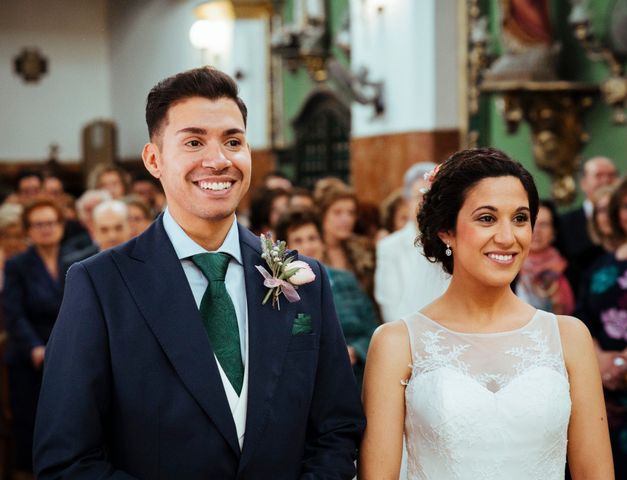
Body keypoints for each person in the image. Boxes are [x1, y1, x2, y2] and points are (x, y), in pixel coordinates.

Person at [34, 66, 364, 479]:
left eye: (233, 141)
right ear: (154, 160)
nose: (218, 160)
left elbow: (337, 429)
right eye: (193, 142)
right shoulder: (100, 285)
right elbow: (67, 459)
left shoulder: (305, 277)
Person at [360, 148, 613, 479]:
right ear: (446, 230)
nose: (508, 238)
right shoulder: (397, 343)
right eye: (487, 218)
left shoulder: (569, 336)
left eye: (520, 218)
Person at [574, 173, 627, 478]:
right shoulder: (600, 266)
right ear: (615, 214)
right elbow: (583, 318)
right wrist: (601, 360)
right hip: (605, 390)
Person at [275, 207, 378, 388]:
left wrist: (355, 351)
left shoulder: (346, 280)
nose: (308, 246)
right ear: (286, 250)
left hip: (355, 376)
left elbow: (373, 330)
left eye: (312, 238)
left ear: (322, 242)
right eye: (298, 240)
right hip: (308, 382)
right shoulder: (280, 292)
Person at [3, 197, 66, 475]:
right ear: (28, 230)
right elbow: (14, 314)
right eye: (38, 225)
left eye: (50, 223)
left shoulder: (76, 259)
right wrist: (35, 348)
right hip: (31, 358)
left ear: (61, 226)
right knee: (30, 425)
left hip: (66, 355)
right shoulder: (18, 265)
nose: (45, 229)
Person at [375, 162, 450, 324]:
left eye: (430, 195)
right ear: (407, 201)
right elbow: (390, 304)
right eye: (419, 196)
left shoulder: (450, 240)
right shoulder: (389, 247)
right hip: (406, 331)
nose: (425, 202)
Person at [559, 156, 618, 293]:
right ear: (584, 183)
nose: (606, 180)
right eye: (599, 175)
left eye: (611, 175)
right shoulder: (563, 223)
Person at [316, 183, 376, 299]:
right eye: (337, 212)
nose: (346, 219)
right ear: (323, 215)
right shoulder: (311, 250)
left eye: (351, 213)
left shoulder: (364, 250)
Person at [516, 200, 574, 315]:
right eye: (532, 223)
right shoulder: (508, 267)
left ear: (554, 231)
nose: (537, 230)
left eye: (544, 224)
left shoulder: (571, 270)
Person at [588, 184, 618, 253]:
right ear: (594, 219)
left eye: (612, 208)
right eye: (602, 210)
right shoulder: (591, 257)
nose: (608, 214)